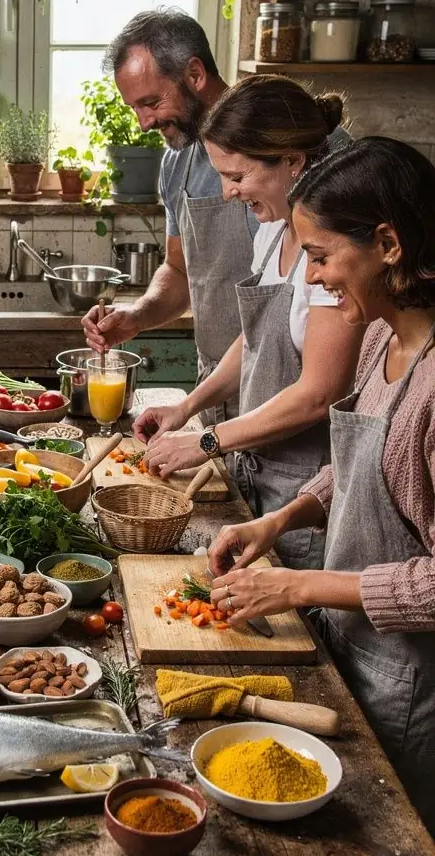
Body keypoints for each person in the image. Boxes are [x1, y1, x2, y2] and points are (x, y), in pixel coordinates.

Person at [208, 137, 435, 856]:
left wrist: (307, 582)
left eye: (323, 254)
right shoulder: (396, 344)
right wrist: (280, 517)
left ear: (388, 243)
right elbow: (357, 461)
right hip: (364, 659)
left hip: (418, 684)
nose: (309, 274)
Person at [134, 76, 359, 570]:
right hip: (258, 479)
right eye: (220, 175)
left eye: (236, 176)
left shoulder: (332, 259)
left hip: (307, 498)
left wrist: (207, 440)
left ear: (292, 162)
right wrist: (188, 407)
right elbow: (256, 341)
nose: (228, 193)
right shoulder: (275, 230)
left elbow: (319, 393)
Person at [82, 7, 255, 422]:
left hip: (288, 389)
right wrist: (136, 316)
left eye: (151, 102)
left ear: (195, 75)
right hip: (218, 392)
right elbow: (179, 272)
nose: (143, 123)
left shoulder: (284, 147)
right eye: (134, 108)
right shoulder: (179, 164)